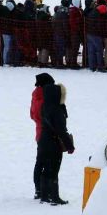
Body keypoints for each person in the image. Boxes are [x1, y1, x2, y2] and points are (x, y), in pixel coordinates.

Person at [36, 73, 74, 205]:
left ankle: (44, 196)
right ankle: (54, 196)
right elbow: (61, 131)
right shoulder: (57, 110)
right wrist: (70, 146)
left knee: (46, 169)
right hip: (53, 143)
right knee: (54, 170)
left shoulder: (45, 106)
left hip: (43, 141)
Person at [30, 75, 45, 199]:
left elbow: (32, 115)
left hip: (39, 132)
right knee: (46, 163)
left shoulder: (35, 95)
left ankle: (38, 190)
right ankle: (43, 190)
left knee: (39, 162)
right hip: (46, 133)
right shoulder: (45, 96)